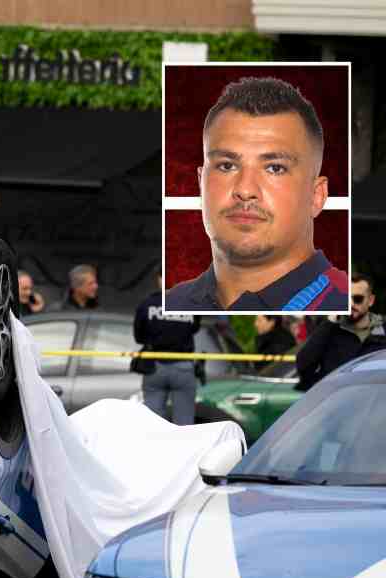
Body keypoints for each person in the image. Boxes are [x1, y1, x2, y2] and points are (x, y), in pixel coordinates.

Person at [165, 77, 348, 313]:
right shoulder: (172, 303)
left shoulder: (344, 307)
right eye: (226, 165)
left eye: (275, 168)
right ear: (201, 183)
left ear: (317, 195)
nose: (245, 190)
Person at [296, 272, 386, 390]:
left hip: (373, 403)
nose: (351, 304)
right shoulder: (329, 330)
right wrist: (330, 321)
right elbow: (303, 367)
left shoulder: (383, 331)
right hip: (336, 403)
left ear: (370, 300)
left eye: (358, 299)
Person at [134, 277, 200, 425]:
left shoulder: (147, 304)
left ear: (159, 279)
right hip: (183, 367)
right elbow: (195, 328)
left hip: (154, 366)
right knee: (184, 422)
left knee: (153, 421)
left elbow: (139, 337)